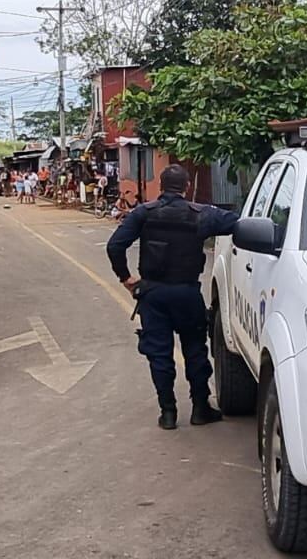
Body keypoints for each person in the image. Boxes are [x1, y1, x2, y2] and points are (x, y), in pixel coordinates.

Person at [106, 165, 240, 430]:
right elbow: (236, 223)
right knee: (195, 350)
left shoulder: (143, 213)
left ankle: (168, 413)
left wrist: (126, 278)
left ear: (161, 185)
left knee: (159, 354)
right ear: (187, 186)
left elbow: (115, 246)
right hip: (186, 293)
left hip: (153, 295)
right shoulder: (202, 214)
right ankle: (200, 408)